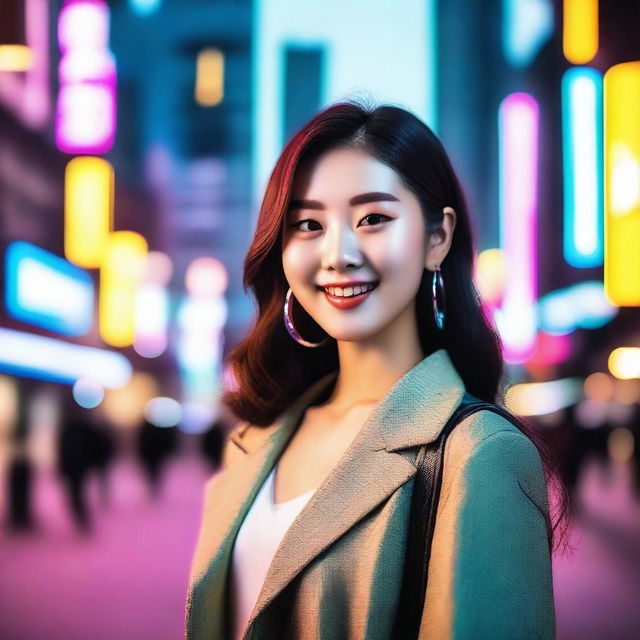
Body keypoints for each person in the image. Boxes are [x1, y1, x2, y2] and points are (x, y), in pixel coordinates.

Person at [185, 100, 573, 640]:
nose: (337, 253)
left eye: (373, 219)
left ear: (437, 237)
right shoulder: (257, 438)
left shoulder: (480, 452)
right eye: (307, 224)